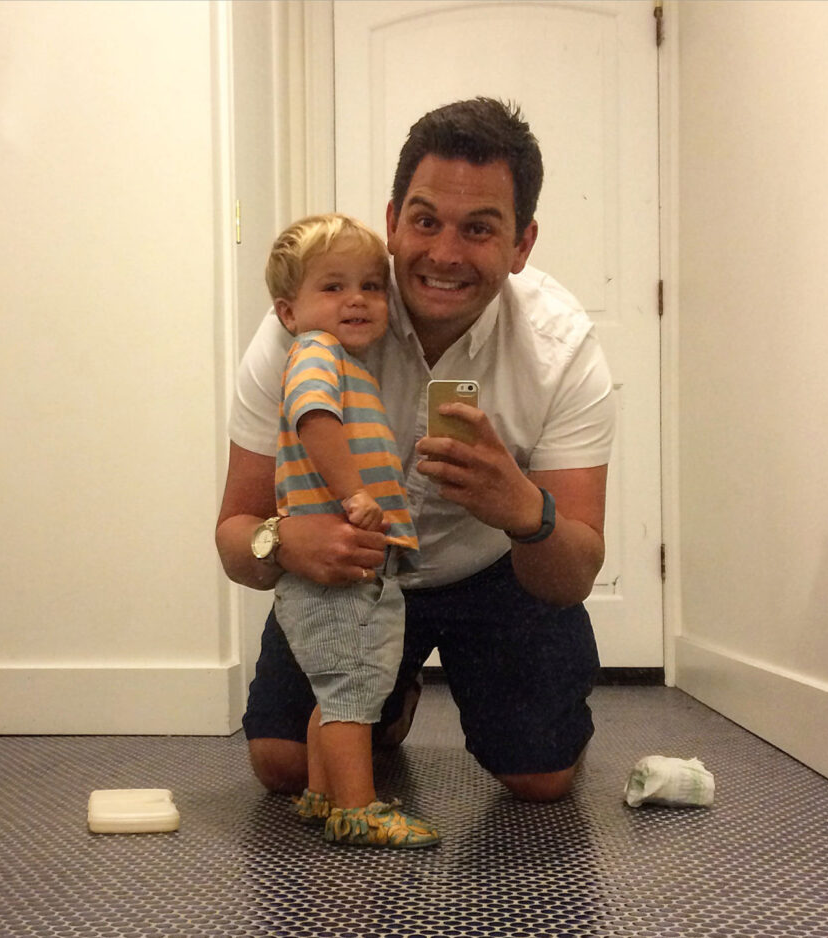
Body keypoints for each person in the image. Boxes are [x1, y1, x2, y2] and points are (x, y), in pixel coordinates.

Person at [215, 96, 615, 805]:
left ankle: (391, 691)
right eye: (426, 221)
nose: (445, 253)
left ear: (522, 245)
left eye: (480, 228)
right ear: (393, 221)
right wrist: (282, 540)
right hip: (352, 572)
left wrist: (522, 510)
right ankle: (390, 698)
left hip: (495, 571)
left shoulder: (562, 350)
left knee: (540, 777)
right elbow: (233, 536)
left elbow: (575, 572)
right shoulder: (305, 327)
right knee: (282, 764)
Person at [263, 213, 439, 848]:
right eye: (333, 287)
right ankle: (357, 809)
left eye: (370, 285)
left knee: (333, 687)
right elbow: (314, 419)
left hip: (347, 568)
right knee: (354, 692)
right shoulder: (316, 353)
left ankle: (322, 795)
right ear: (289, 312)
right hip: (340, 571)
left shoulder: (342, 361)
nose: (357, 300)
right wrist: (354, 493)